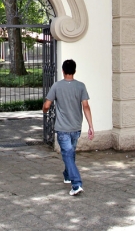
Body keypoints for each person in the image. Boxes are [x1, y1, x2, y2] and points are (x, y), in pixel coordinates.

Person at [42, 58, 94, 197]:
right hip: (76, 127)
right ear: (74, 71)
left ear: (63, 71)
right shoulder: (81, 86)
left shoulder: (57, 86)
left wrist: (44, 111)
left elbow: (47, 105)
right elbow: (86, 106)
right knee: (70, 153)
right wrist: (90, 126)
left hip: (63, 128)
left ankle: (76, 184)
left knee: (68, 154)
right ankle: (67, 175)